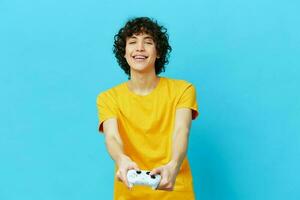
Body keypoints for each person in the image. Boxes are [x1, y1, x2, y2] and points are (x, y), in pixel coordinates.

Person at [96, 17, 199, 200]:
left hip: (175, 189)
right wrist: (121, 159)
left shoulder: (183, 90)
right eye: (133, 42)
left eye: (148, 42)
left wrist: (173, 166)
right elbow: (111, 136)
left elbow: (181, 131)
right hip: (129, 191)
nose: (140, 48)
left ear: (158, 52)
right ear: (125, 53)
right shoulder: (108, 98)